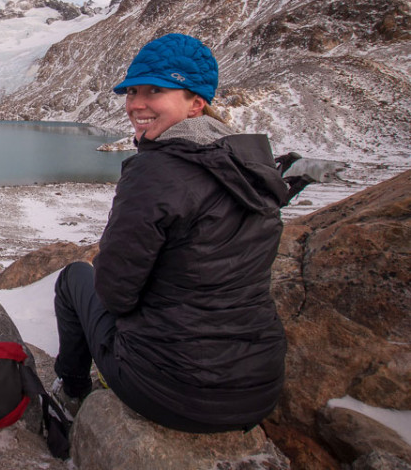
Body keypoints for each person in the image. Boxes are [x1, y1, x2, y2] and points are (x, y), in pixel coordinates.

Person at [52, 33, 288, 433]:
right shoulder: (249, 168)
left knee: (74, 279)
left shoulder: (157, 172)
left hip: (171, 391)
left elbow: (114, 293)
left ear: (196, 103)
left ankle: (71, 391)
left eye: (155, 90)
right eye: (131, 91)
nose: (136, 104)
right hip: (258, 391)